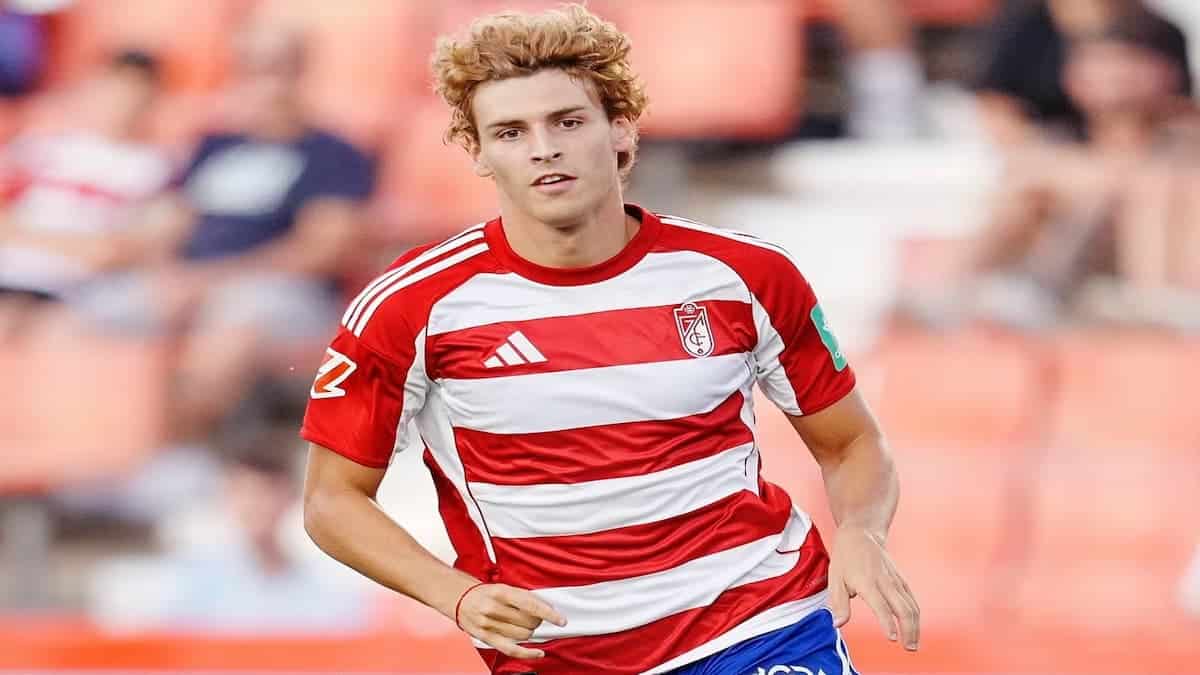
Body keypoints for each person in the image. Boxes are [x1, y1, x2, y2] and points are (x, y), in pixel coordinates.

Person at [301, 5, 917, 675]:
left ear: (621, 129)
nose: (543, 148)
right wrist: (455, 593)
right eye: (510, 131)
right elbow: (333, 498)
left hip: (758, 623)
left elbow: (850, 441)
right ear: (477, 152)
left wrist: (861, 529)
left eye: (567, 122)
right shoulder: (410, 306)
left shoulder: (745, 274)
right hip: (559, 653)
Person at [78, 22, 375, 438]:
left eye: (274, 67)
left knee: (228, 330)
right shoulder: (213, 145)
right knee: (87, 312)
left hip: (283, 290)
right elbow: (166, 223)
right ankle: (87, 450)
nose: (261, 82)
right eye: (248, 68)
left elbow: (320, 251)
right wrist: (164, 271)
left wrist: (207, 282)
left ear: (299, 73)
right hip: (196, 279)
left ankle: (172, 456)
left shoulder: (335, 153)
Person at [0, 49, 171, 343]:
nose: (121, 105)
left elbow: (118, 251)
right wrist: (75, 245)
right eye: (114, 91)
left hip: (75, 293)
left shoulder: (156, 168)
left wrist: (26, 236)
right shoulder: (39, 148)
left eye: (134, 96)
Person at [974, 0, 1192, 146]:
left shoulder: (1158, 29)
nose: (1112, 77)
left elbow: (1183, 110)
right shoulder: (1022, 27)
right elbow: (995, 104)